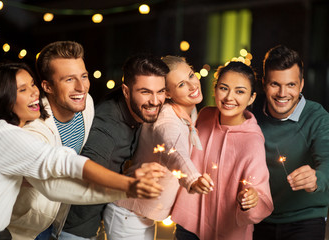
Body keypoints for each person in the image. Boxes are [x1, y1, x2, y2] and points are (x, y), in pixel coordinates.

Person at [0, 62, 163, 240]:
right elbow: (66, 162)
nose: (34, 93)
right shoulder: (2, 135)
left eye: (32, 84)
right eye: (22, 89)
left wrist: (125, 191)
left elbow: (55, 188)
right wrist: (127, 183)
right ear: (2, 98)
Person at [8, 41, 143, 240]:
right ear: (47, 86)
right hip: (24, 226)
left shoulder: (86, 104)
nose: (81, 87)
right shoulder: (33, 130)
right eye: (69, 79)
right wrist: (126, 187)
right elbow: (54, 186)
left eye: (84, 76)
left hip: (59, 220)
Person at [103, 55, 213, 240]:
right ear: (167, 93)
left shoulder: (189, 111)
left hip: (142, 215)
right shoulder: (166, 119)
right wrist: (193, 179)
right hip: (128, 214)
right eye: (181, 85)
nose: (193, 85)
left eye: (191, 75)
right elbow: (173, 150)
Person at [60, 54, 170, 240]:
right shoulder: (107, 128)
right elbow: (83, 175)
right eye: (145, 92)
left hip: (101, 221)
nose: (155, 101)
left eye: (160, 91)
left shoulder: (138, 109)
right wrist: (130, 182)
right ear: (126, 91)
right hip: (76, 230)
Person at [171, 61, 274, 240]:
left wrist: (252, 198)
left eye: (240, 91)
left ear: (251, 98)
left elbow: (260, 192)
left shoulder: (253, 141)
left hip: (229, 232)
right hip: (188, 225)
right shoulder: (203, 115)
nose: (229, 98)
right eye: (224, 88)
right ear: (215, 88)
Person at [252, 45, 329, 240]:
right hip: (257, 217)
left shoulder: (317, 117)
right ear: (264, 83)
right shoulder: (250, 113)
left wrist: (317, 178)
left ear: (301, 85)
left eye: (291, 85)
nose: (282, 93)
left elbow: (327, 160)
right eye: (275, 84)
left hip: (306, 218)